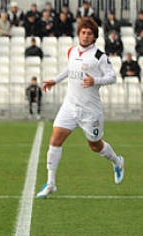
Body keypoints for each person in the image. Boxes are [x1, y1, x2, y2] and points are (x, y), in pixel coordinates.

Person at [36, 18, 124, 199]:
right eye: (83, 32)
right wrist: (55, 79)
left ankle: (117, 161)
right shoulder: (72, 51)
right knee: (54, 140)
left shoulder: (99, 56)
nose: (85, 36)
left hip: (90, 110)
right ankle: (51, 183)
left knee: (95, 146)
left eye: (89, 33)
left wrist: (95, 81)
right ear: (79, 34)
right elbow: (70, 69)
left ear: (94, 37)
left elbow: (113, 77)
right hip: (70, 105)